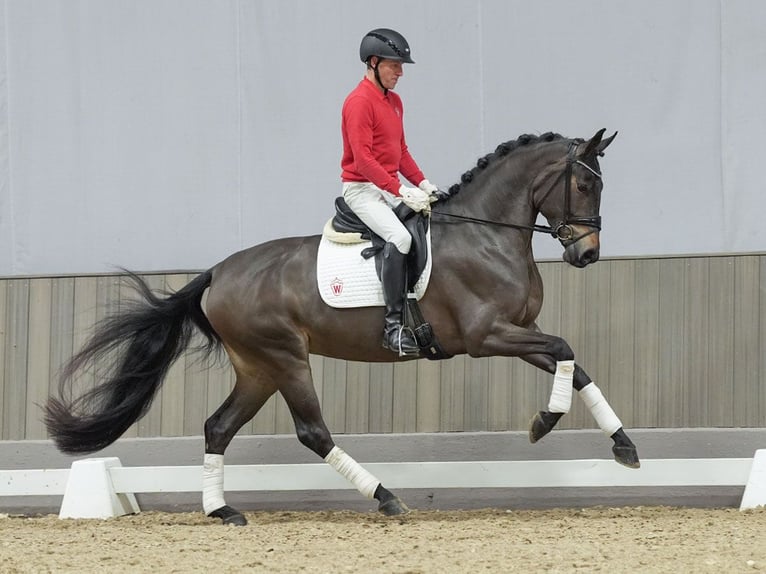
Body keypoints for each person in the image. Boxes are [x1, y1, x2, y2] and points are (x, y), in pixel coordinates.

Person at [340, 28, 438, 357]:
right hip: (362, 189)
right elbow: (364, 161)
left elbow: (401, 151)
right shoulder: (358, 102)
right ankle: (393, 328)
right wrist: (400, 190)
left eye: (401, 66)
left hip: (387, 186)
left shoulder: (394, 101)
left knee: (427, 224)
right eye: (394, 65)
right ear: (373, 62)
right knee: (401, 238)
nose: (400, 72)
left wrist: (423, 184)